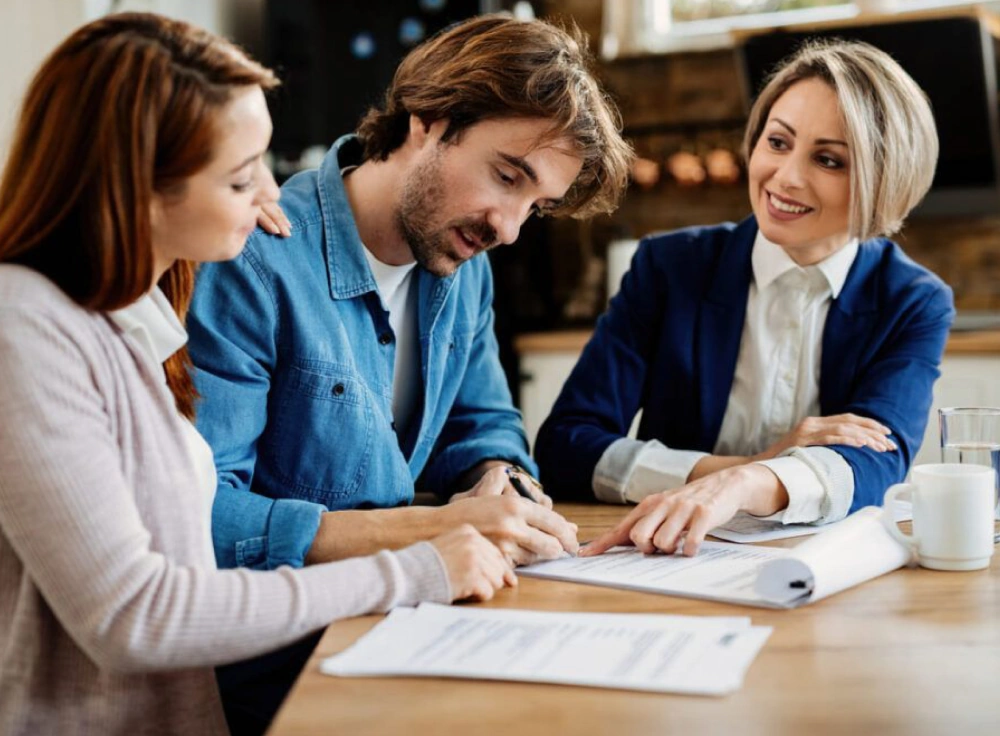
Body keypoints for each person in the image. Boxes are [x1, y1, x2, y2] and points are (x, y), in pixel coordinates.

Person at [0, 13, 515, 736]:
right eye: (243, 176)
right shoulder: (23, 327)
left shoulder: (126, 315)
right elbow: (134, 616)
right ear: (139, 185)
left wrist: (225, 215)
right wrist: (416, 567)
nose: (273, 195)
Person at [187, 15, 632, 573]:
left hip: (409, 605)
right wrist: (431, 528)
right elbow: (203, 517)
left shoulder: (464, 265)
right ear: (429, 122)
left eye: (535, 207)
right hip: (290, 639)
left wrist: (501, 477)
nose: (510, 229)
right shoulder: (253, 260)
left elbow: (482, 424)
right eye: (507, 177)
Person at [535, 40, 954, 559]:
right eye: (777, 142)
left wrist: (746, 485)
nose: (786, 177)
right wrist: (739, 469)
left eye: (828, 159)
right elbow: (566, 447)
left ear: (883, 181)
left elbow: (874, 468)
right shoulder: (669, 268)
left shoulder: (912, 302)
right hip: (666, 557)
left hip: (819, 573)